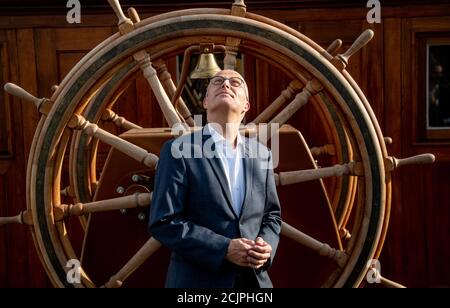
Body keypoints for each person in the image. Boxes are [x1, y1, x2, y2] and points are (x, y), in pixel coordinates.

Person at [148, 69, 282, 288]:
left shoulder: (262, 155)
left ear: (246, 106)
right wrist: (223, 248)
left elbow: (272, 215)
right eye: (218, 81)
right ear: (206, 102)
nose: (226, 84)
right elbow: (164, 221)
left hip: (254, 283)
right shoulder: (178, 150)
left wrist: (266, 247)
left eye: (235, 82)